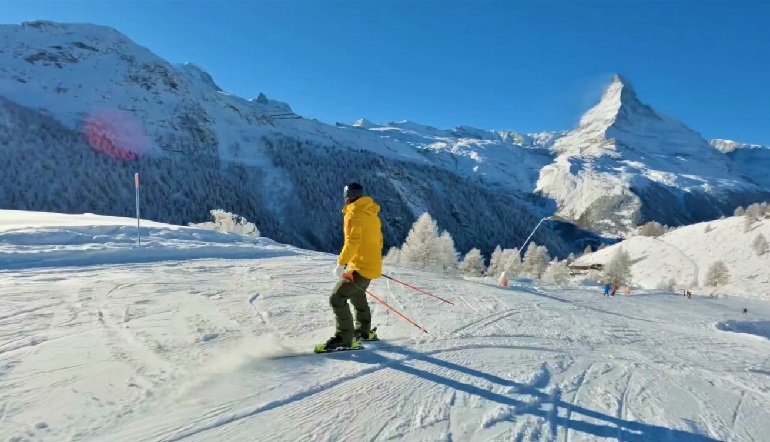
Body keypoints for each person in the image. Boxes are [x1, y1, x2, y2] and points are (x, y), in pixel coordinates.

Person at [322, 182, 384, 351]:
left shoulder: (354, 213)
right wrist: (372, 261)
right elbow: (377, 240)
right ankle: (363, 331)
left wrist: (341, 263)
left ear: (347, 197)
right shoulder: (371, 212)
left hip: (361, 266)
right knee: (357, 295)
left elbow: (353, 241)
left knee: (337, 298)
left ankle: (344, 338)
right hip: (370, 265)